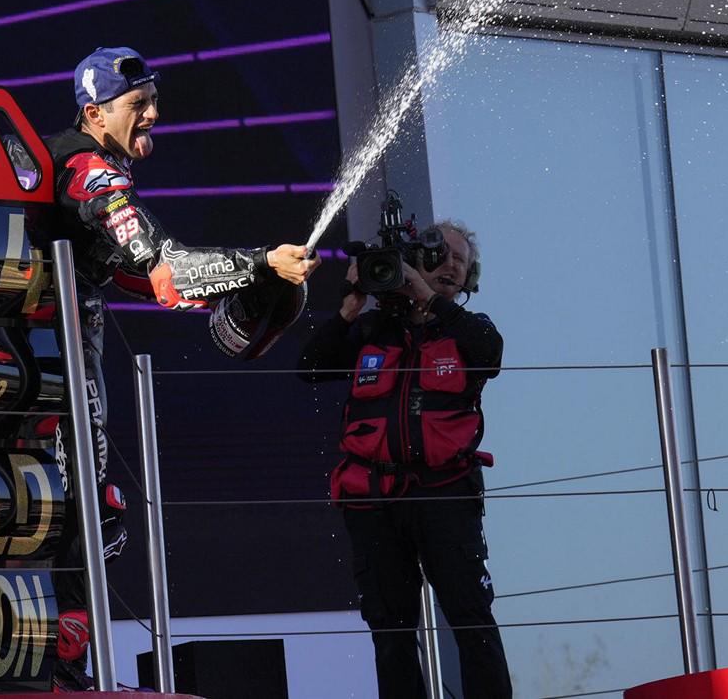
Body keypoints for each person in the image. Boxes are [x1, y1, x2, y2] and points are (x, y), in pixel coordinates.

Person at [45, 46, 319, 684]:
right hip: (45, 381)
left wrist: (252, 280)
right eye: (139, 106)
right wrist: (260, 265)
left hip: (53, 375)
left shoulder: (87, 165)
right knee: (83, 516)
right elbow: (158, 267)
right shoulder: (89, 169)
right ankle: (55, 673)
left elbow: (155, 276)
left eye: (152, 104)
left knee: (84, 516)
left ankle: (61, 670)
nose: (154, 116)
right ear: (95, 112)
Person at [298, 221, 512, 698]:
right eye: (443, 254)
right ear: (416, 258)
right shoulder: (374, 329)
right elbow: (309, 368)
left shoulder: (469, 330)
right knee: (392, 633)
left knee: (471, 617)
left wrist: (427, 300)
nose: (452, 265)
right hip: (375, 501)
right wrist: (351, 306)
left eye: (463, 261)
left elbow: (490, 355)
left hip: (445, 495)